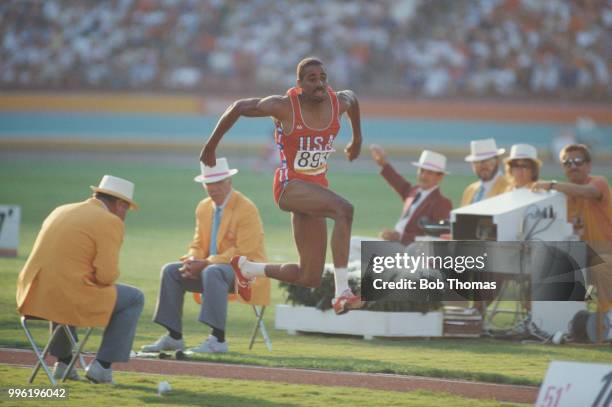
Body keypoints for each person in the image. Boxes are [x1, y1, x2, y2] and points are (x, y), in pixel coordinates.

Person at [199, 57, 362, 315]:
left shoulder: (337, 102)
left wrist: (356, 138)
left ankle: (248, 268)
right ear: (299, 84)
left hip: (315, 191)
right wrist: (210, 147)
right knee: (344, 210)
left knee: (309, 276)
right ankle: (342, 292)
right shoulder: (284, 107)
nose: (319, 84)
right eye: (312, 79)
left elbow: (352, 99)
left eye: (323, 78)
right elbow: (239, 106)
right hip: (290, 187)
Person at [16, 175, 144, 384]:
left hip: (33, 295)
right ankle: (102, 367)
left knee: (66, 283)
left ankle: (63, 363)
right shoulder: (110, 221)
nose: (125, 215)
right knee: (134, 298)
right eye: (126, 209)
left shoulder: (61, 209)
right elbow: (106, 276)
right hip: (67, 296)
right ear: (120, 204)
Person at [142, 158, 266, 354]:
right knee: (171, 271)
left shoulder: (246, 208)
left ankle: (218, 340)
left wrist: (206, 263)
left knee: (213, 272)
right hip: (212, 269)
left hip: (246, 271)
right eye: (209, 183)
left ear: (229, 183)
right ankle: (174, 337)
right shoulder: (203, 207)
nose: (213, 188)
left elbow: (244, 252)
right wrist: (192, 259)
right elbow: (198, 243)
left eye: (218, 183)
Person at [532, 144, 611, 331]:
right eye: (567, 163)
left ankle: (608, 320)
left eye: (577, 161)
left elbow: (589, 192)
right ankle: (547, 326)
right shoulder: (563, 198)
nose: (573, 166)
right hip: (582, 258)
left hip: (605, 254)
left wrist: (551, 185)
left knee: (602, 264)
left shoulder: (598, 182)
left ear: (589, 165)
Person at [368, 145, 452, 245]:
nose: (423, 176)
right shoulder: (414, 192)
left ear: (440, 177)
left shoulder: (441, 203)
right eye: (421, 171)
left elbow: (438, 239)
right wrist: (382, 163)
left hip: (409, 250)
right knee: (352, 242)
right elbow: (399, 183)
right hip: (394, 244)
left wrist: (400, 237)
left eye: (429, 173)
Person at [461, 138, 509, 206]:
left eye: (487, 160)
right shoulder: (470, 190)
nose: (482, 166)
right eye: (477, 162)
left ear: (497, 161)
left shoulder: (509, 188)